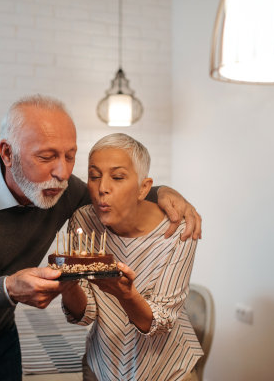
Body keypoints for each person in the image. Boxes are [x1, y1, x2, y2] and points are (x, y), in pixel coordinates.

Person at [0, 95, 202, 380]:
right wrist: (8, 288)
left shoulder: (63, 190)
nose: (63, 173)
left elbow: (117, 195)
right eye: (46, 157)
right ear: (7, 153)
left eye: (70, 156)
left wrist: (164, 191)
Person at [60, 133, 202, 381]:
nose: (102, 188)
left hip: (168, 370)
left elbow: (162, 322)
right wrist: (68, 286)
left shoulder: (178, 230)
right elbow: (87, 314)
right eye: (94, 176)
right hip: (102, 365)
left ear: (144, 188)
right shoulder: (83, 220)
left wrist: (125, 294)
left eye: (117, 177)